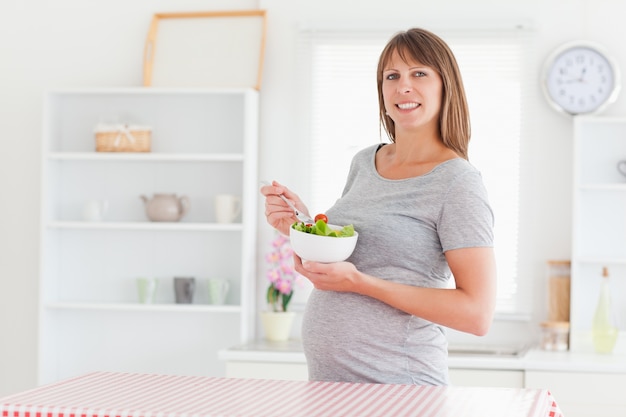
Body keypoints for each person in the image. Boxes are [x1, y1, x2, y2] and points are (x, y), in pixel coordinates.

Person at [260, 27, 496, 386]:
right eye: (392, 76)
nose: (403, 86)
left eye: (419, 73)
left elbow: (477, 315)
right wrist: (302, 225)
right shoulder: (364, 162)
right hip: (331, 387)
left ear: (445, 86)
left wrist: (361, 284)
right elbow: (356, 255)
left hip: (401, 389)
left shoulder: (457, 182)